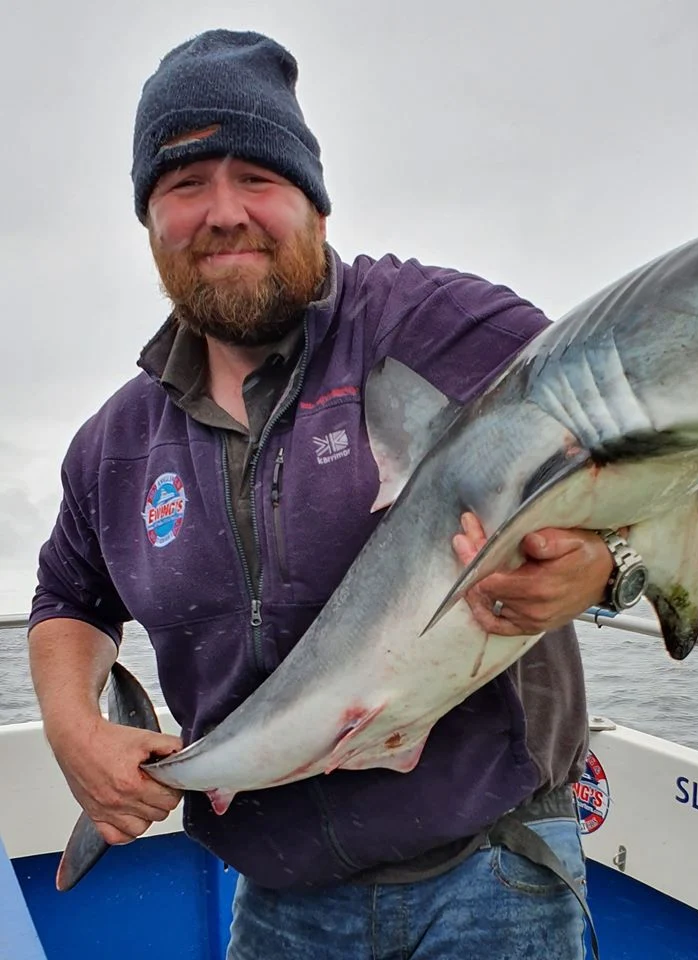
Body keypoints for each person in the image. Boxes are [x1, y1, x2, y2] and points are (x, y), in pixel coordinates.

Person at [28, 29, 629, 960]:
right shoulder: (116, 443)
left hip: (488, 871)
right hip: (277, 899)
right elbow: (69, 596)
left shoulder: (440, 330)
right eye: (185, 186)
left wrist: (606, 565)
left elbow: (639, 455)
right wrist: (73, 729)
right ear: (149, 221)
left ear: (313, 201)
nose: (224, 212)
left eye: (257, 178)